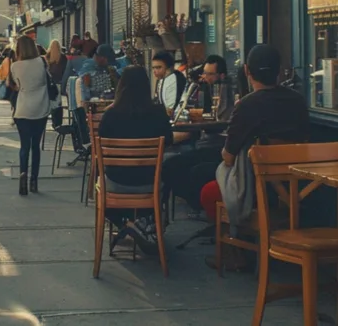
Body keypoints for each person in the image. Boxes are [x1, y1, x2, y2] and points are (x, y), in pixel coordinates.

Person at [196, 45, 309, 269]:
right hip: (299, 189)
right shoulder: (298, 102)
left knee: (208, 188)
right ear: (278, 72)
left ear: (247, 71)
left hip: (257, 190)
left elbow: (228, 158)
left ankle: (235, 249)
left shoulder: (248, 105)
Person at [98, 65, 171, 253]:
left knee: (99, 185)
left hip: (116, 183)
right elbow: (169, 142)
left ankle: (128, 221)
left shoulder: (110, 115)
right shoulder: (158, 113)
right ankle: (145, 219)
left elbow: (101, 153)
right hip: (149, 183)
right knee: (170, 171)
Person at [165, 54, 237, 219]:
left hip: (220, 143)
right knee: (173, 164)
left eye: (210, 74)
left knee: (180, 165)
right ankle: (196, 204)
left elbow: (222, 119)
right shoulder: (203, 88)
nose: (205, 77)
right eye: (204, 73)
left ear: (221, 76)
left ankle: (198, 206)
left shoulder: (226, 90)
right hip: (206, 140)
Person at [8, 35, 51, 195]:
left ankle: (22, 178)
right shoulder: (41, 62)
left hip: (23, 109)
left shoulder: (15, 66)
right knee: (35, 146)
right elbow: (47, 80)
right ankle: (34, 181)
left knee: (24, 146)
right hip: (40, 108)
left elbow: (16, 86)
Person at [45, 40, 66, 128]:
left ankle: (53, 121)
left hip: (51, 83)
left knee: (52, 102)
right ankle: (58, 122)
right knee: (58, 104)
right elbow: (65, 70)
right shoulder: (63, 57)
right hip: (59, 82)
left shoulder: (48, 56)